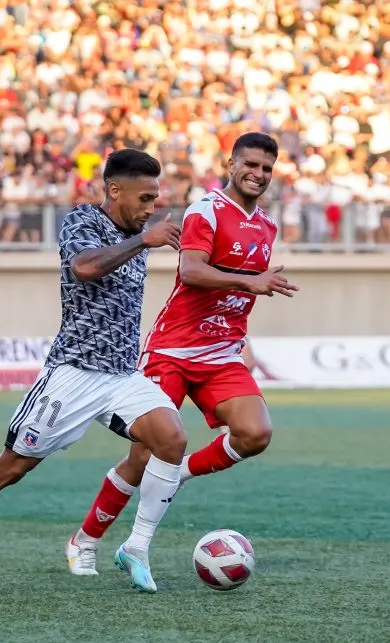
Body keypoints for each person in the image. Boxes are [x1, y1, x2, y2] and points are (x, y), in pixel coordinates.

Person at [0, 149, 188, 596]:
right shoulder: (84, 221)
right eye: (145, 197)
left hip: (120, 376)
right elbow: (84, 268)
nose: (151, 207)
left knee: (171, 439)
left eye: (156, 198)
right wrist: (144, 240)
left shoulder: (137, 233)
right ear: (114, 190)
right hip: (72, 373)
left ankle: (136, 546)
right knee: (11, 467)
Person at [65, 133, 298, 577]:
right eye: (250, 164)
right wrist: (251, 282)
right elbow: (191, 272)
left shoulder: (266, 224)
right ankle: (86, 539)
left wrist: (241, 333)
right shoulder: (206, 210)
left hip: (222, 352)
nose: (258, 174)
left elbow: (237, 295)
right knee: (141, 455)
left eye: (267, 168)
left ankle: (179, 472)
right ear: (231, 164)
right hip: (172, 349)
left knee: (255, 434)